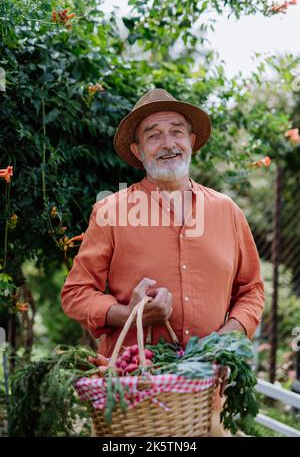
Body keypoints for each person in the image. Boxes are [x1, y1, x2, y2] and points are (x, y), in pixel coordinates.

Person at [61, 88, 265, 436]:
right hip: (132, 403)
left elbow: (252, 290)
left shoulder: (226, 211)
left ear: (192, 140)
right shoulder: (112, 211)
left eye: (176, 131)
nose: (167, 142)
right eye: (153, 135)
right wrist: (130, 314)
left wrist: (224, 342)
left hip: (204, 401)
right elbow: (76, 294)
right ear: (139, 151)